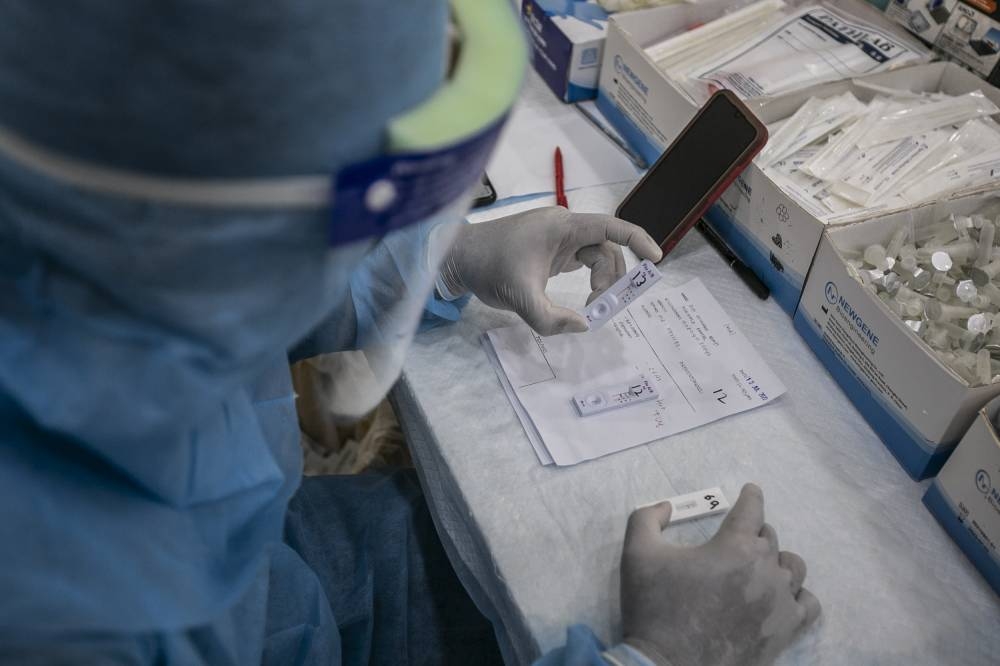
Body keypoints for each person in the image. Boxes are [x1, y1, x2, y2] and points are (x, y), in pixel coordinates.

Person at [0, 1, 819, 664]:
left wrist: (449, 259)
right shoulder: (84, 612)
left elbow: (238, 275)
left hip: (271, 563)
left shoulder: (91, 220)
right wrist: (669, 654)